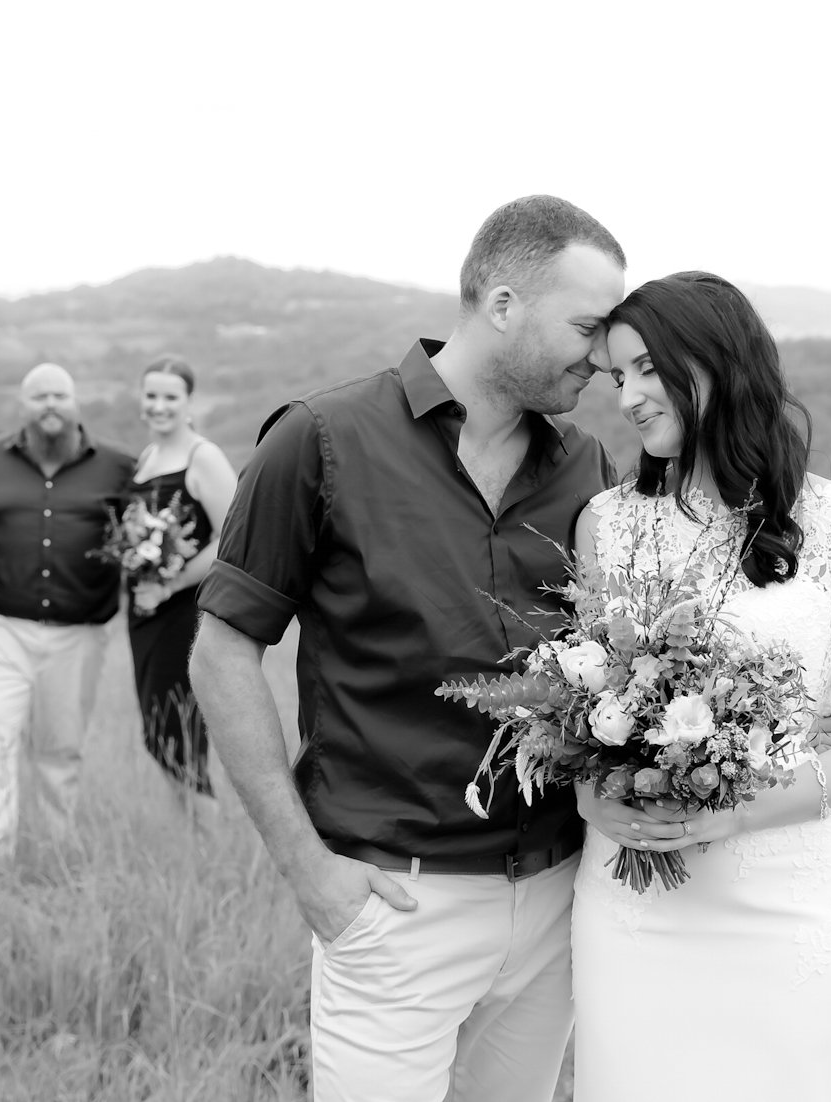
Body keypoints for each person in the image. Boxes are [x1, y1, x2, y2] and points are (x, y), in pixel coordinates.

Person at [190, 196, 627, 1102]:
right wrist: (308, 870)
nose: (603, 357)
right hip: (394, 905)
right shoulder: (321, 439)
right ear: (502, 305)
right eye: (587, 328)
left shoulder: (588, 466)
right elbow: (221, 649)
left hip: (556, 896)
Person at [567, 271, 831, 1102]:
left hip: (792, 903)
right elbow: (584, 715)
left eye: (650, 368)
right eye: (619, 377)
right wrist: (592, 802)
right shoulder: (605, 524)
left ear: (720, 362)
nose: (630, 396)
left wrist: (732, 812)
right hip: (636, 902)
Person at [0, 363, 136, 860]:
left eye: (59, 394)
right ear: (24, 405)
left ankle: (54, 855)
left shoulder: (118, 468)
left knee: (60, 752)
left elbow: (147, 533)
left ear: (76, 401)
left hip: (78, 633)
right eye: (39, 397)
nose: (50, 404)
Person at [122, 355, 235, 804]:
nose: (159, 405)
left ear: (189, 401)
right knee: (157, 731)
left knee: (181, 729)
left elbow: (231, 538)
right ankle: (185, 836)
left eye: (170, 397)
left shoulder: (202, 457)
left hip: (183, 614)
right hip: (145, 614)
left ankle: (202, 837)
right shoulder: (148, 456)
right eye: (151, 396)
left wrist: (170, 584)